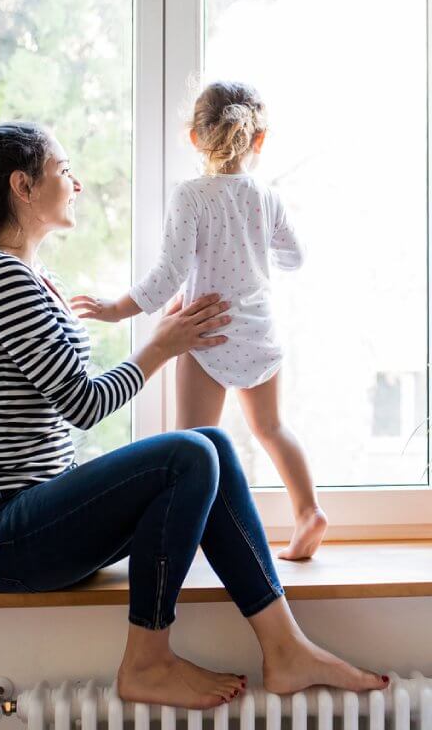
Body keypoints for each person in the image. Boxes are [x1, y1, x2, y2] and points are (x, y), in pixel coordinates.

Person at [0, 121, 388, 710]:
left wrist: (164, 335)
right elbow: (83, 403)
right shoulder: (1, 279)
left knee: (210, 443)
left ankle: (285, 647)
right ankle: (147, 659)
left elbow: (65, 388)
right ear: (23, 186)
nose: (77, 183)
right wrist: (161, 346)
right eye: (64, 171)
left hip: (35, 513)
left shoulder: (33, 277)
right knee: (189, 452)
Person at [71, 81, 326, 561]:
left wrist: (113, 309)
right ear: (259, 140)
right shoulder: (265, 196)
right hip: (259, 331)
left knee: (192, 446)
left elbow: (167, 277)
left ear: (194, 137)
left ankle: (194, 538)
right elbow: (295, 256)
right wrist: (253, 247)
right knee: (271, 428)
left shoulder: (190, 197)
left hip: (206, 331)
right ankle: (309, 511)